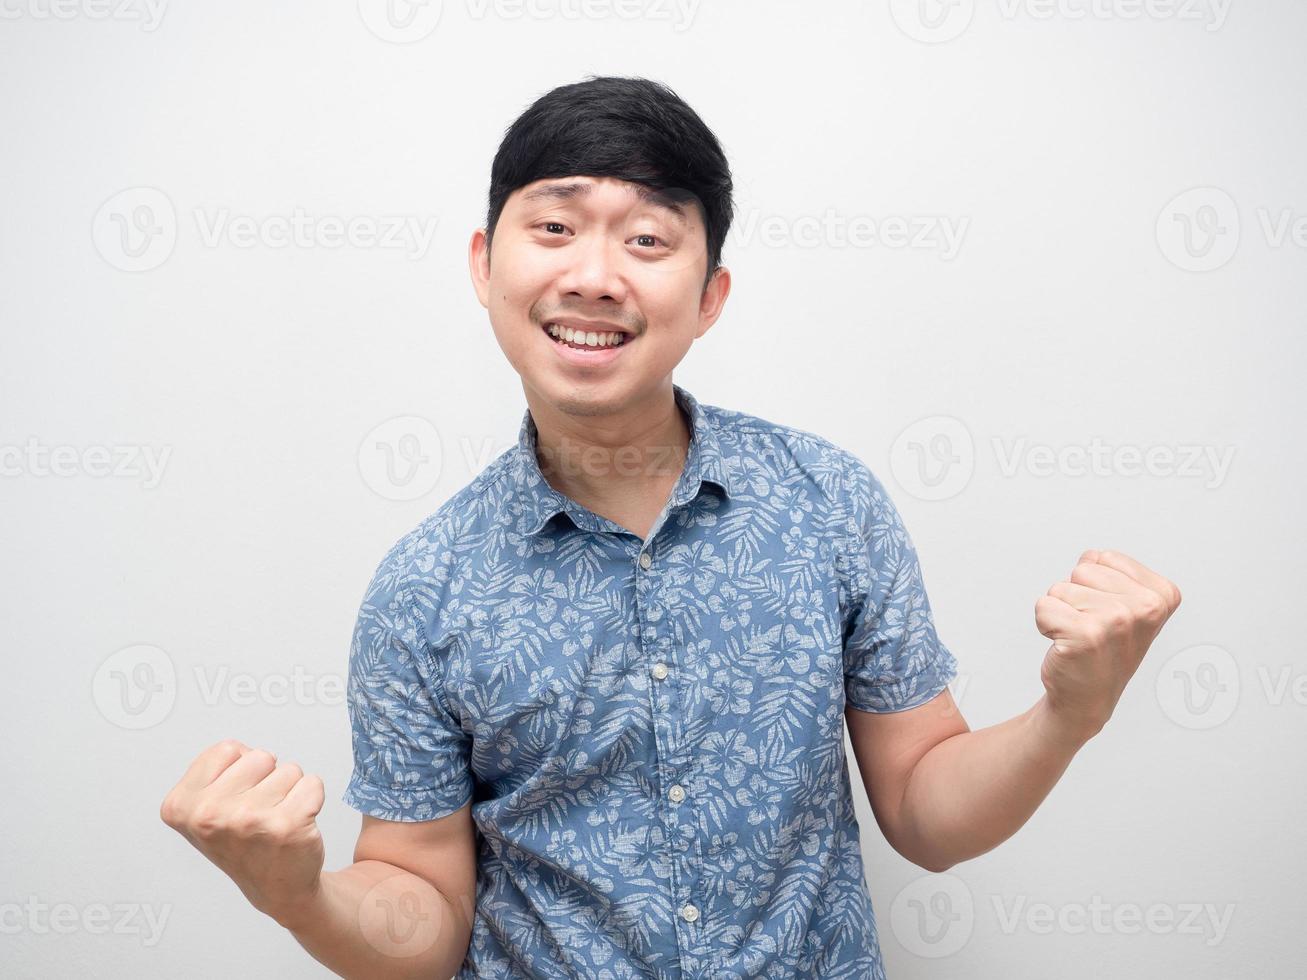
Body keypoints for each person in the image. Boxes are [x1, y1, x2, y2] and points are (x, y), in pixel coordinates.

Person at [159, 75, 1182, 978]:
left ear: (709, 295)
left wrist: (1067, 712)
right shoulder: (422, 588)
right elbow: (422, 920)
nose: (595, 274)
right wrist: (297, 892)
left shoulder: (828, 500)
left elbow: (923, 806)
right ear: (484, 264)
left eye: (647, 238)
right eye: (553, 227)